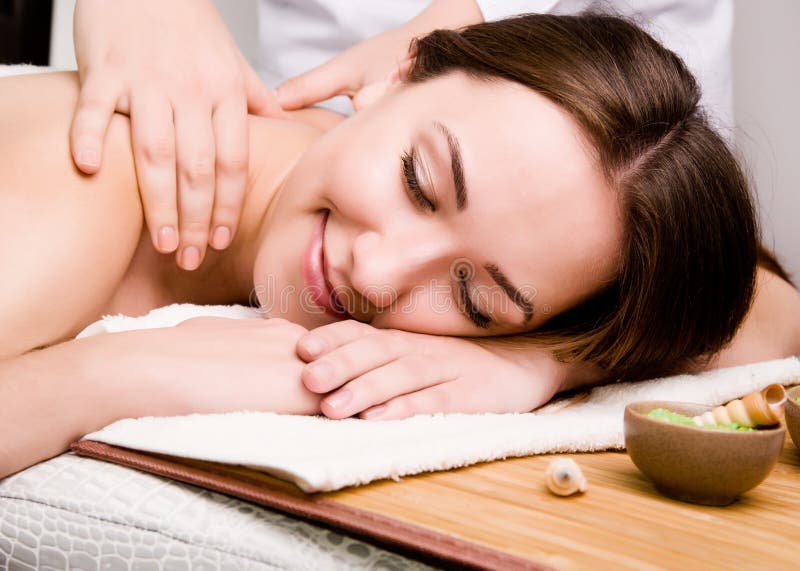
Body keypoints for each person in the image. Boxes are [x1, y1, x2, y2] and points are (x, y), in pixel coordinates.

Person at [1, 14, 797, 480]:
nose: (377, 271)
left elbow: (772, 317)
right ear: (401, 71)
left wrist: (545, 361)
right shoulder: (96, 185)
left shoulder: (528, 336)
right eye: (419, 181)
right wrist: (113, 376)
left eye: (474, 298)